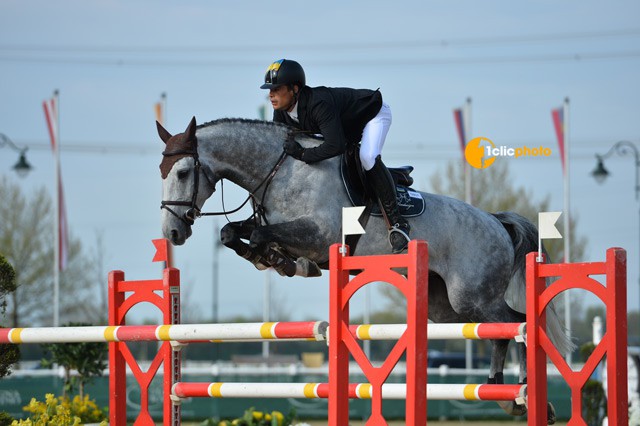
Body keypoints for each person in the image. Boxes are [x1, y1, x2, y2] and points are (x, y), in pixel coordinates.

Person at [260, 58, 410, 253]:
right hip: (347, 128)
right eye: (270, 90)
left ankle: (397, 225)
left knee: (367, 157)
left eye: (276, 89)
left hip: (372, 115)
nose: (271, 95)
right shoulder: (282, 112)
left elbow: (335, 145)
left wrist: (303, 153)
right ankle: (389, 178)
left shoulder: (318, 104)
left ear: (295, 89)